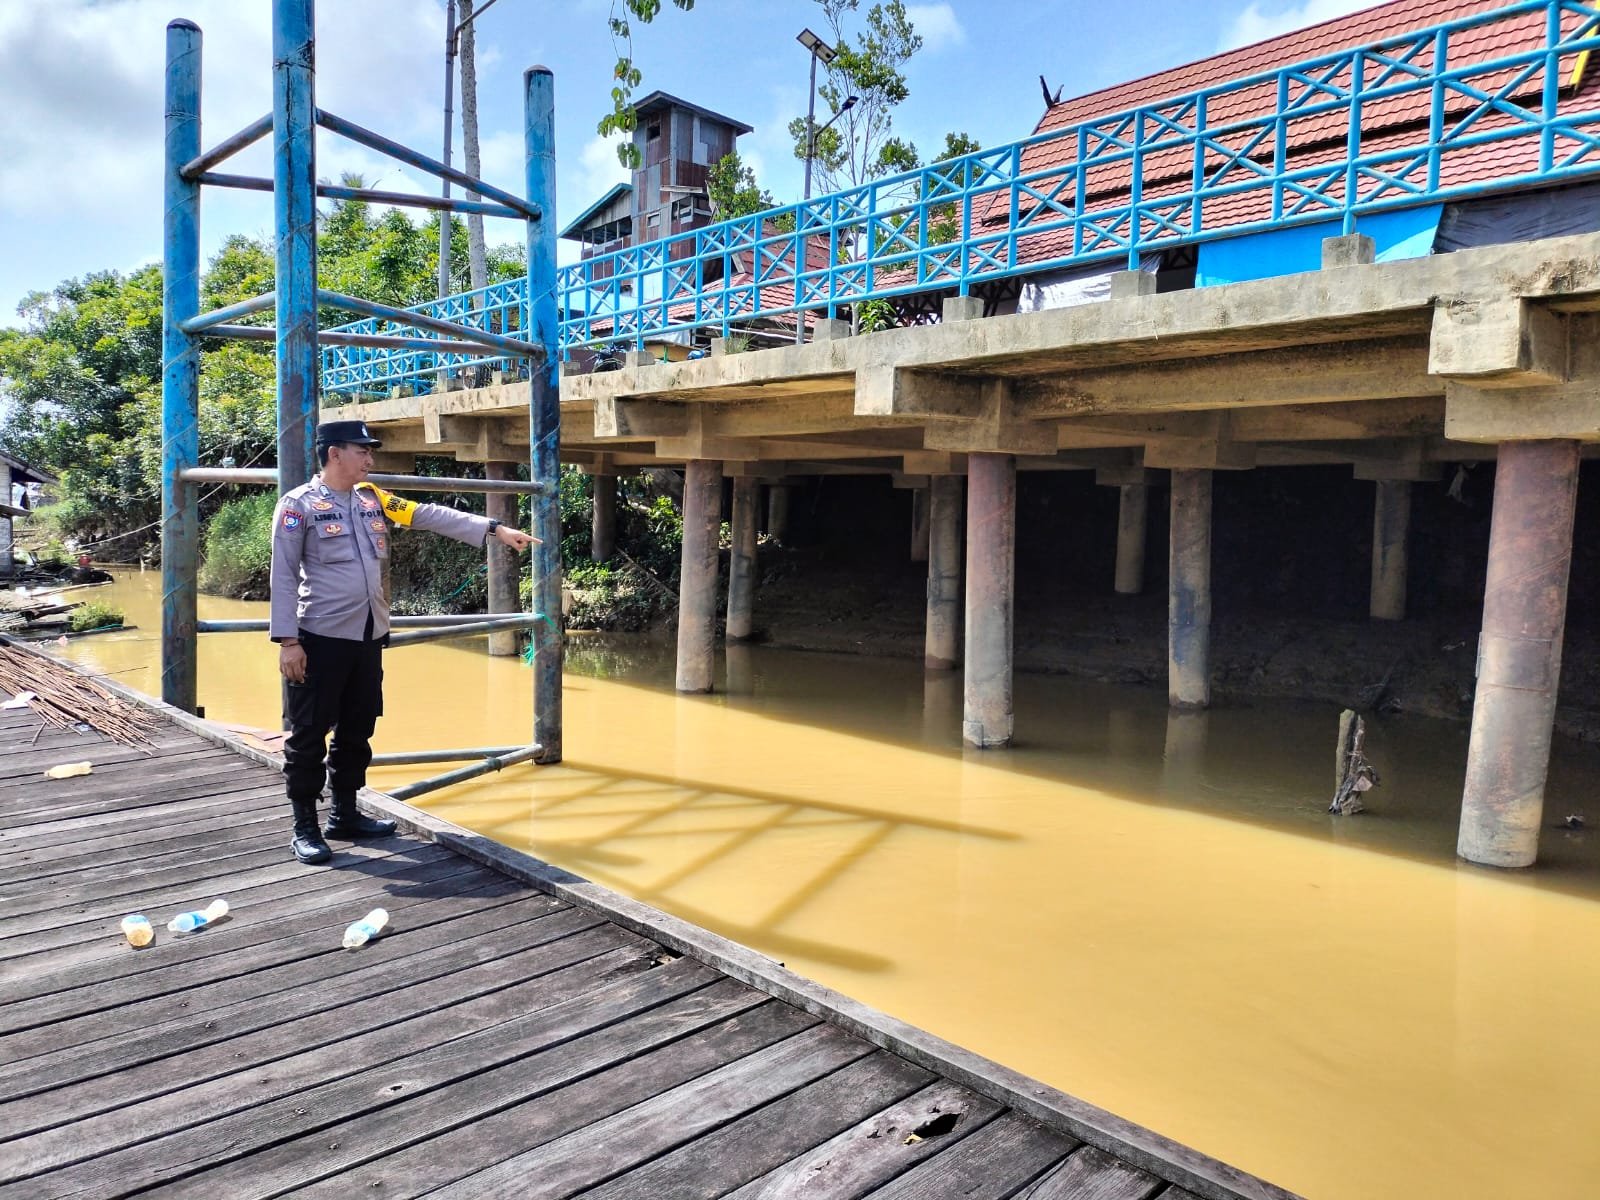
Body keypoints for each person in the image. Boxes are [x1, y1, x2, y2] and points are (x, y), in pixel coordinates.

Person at [269, 419, 538, 865]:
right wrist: (287, 642)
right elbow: (281, 575)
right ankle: (305, 827)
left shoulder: (371, 499)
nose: (370, 460)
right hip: (319, 637)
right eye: (362, 451)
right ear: (334, 453)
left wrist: (493, 528)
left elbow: (426, 514)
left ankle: (345, 813)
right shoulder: (299, 506)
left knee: (358, 728)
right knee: (309, 735)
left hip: (367, 636)